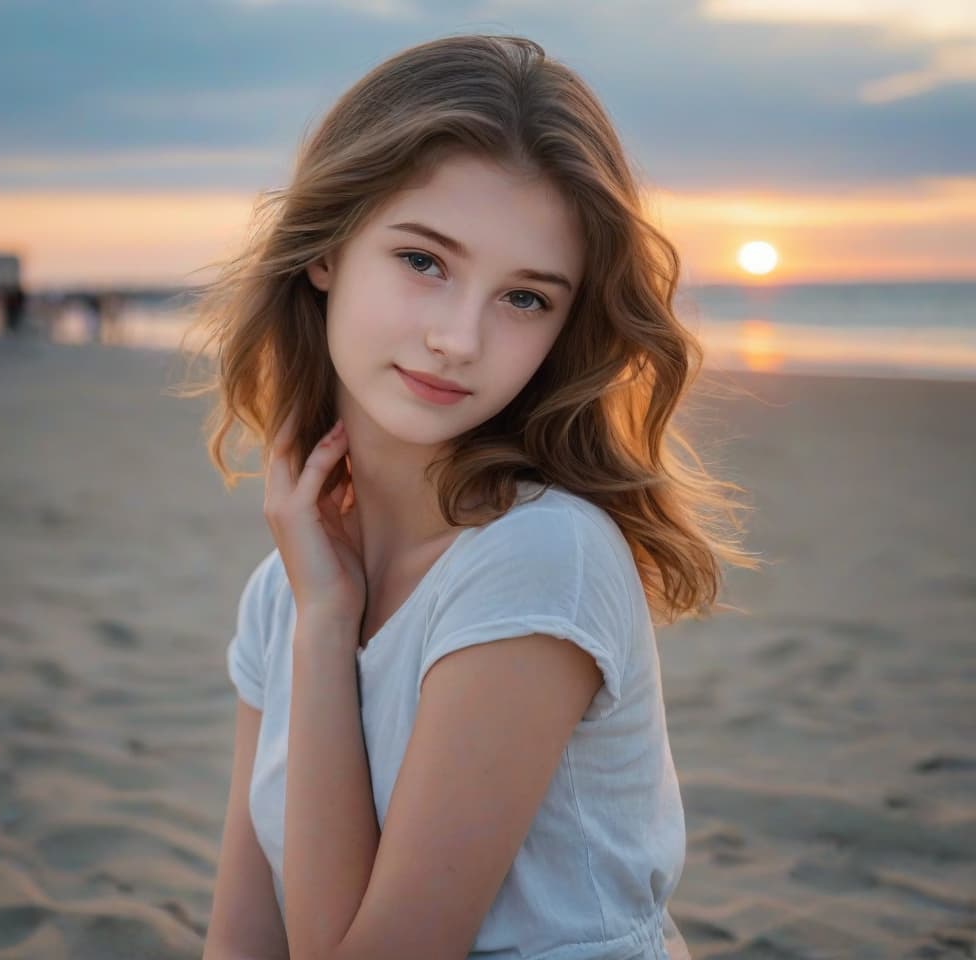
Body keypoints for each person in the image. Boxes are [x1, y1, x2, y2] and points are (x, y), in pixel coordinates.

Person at [182, 34, 758, 960]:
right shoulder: (278, 592)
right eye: (424, 261)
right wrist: (313, 607)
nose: (458, 338)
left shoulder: (540, 558)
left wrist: (330, 625)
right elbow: (245, 938)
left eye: (525, 298)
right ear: (327, 248)